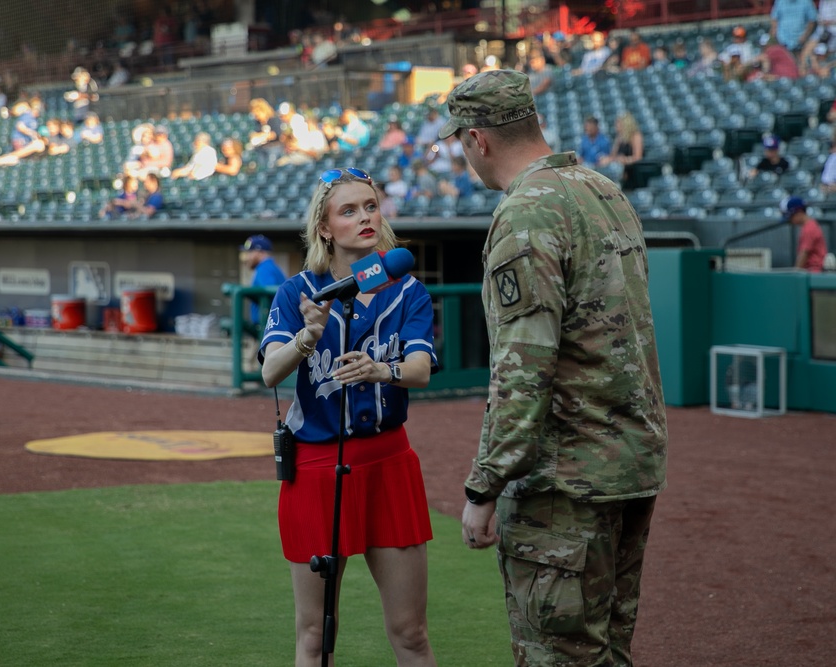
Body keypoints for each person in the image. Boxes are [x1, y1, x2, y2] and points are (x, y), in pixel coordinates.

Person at [439, 69, 668, 665]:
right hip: (628, 463)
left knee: (558, 656)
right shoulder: (602, 189)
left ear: (478, 139)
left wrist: (484, 484)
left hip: (564, 481)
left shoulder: (526, 213)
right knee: (608, 654)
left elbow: (524, 371)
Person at [259, 166, 438, 667]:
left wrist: (383, 369)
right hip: (316, 466)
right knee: (315, 634)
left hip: (388, 462)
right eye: (349, 210)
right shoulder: (297, 292)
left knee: (411, 631)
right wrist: (306, 337)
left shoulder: (408, 291)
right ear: (324, 227)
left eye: (370, 206)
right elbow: (271, 372)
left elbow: (421, 369)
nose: (365, 218)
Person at [239, 234, 286, 333]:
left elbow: (271, 295)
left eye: (250, 252)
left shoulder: (265, 269)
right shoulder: (271, 267)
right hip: (271, 326)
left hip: (268, 327)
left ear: (260, 252)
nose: (247, 257)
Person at [781, 196, 828, 272]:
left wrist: (795, 272)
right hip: (812, 272)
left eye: (791, 216)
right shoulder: (810, 225)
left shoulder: (809, 228)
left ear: (799, 212)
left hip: (813, 272)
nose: (791, 220)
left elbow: (804, 253)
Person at [598, 112, 644, 186]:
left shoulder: (636, 136)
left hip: (632, 169)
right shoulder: (619, 137)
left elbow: (638, 157)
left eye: (618, 123)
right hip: (620, 167)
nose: (616, 126)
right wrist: (607, 159)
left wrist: (625, 159)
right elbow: (613, 155)